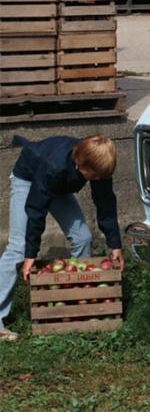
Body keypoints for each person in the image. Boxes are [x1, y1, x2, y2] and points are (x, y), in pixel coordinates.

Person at [0, 134, 123, 342]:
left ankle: (79, 303)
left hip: (57, 184)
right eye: (94, 176)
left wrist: (115, 244)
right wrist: (31, 254)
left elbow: (106, 205)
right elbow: (36, 210)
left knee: (82, 237)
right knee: (19, 247)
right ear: (81, 162)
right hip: (29, 179)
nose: (98, 180)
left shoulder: (99, 165)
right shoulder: (54, 165)